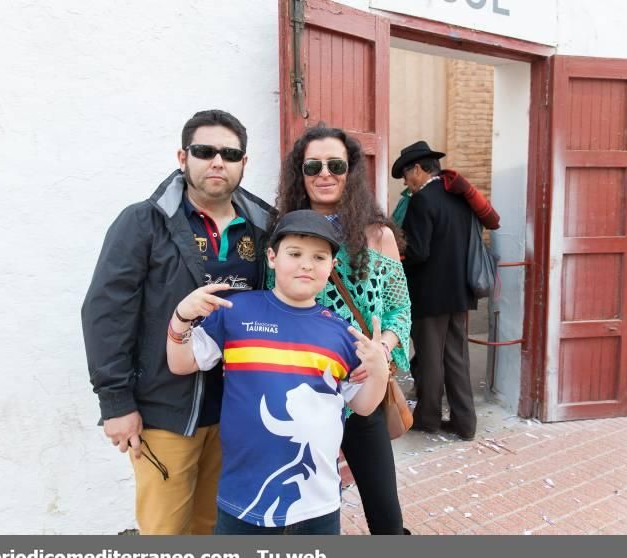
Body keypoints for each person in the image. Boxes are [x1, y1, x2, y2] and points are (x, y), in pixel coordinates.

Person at [81, 109, 273, 534]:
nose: (217, 161)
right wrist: (116, 404)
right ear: (183, 157)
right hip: (166, 412)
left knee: (212, 526)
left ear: (245, 162)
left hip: (235, 412)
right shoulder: (143, 222)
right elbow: (106, 314)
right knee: (165, 531)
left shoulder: (264, 227)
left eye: (230, 153)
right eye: (204, 151)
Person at [166, 210, 390, 534]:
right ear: (272, 257)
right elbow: (181, 362)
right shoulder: (237, 311)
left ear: (332, 266)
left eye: (319, 257)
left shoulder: (342, 333)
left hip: (318, 503)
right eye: (294, 254)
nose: (306, 264)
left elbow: (364, 405)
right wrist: (180, 318)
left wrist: (379, 371)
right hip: (243, 500)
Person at [270, 125, 412, 535]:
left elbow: (400, 308)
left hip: (362, 392)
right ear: (300, 173)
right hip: (302, 396)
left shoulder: (377, 236)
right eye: (312, 165)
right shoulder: (283, 235)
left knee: (386, 513)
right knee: (307, 513)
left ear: (351, 172)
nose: (324, 173)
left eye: (336, 164)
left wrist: (382, 350)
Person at [392, 140, 478, 441]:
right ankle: (465, 422)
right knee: (456, 357)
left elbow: (419, 252)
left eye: (405, 173)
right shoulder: (457, 197)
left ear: (418, 169)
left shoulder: (422, 201)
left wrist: (397, 250)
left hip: (430, 294)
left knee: (429, 359)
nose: (405, 181)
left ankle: (428, 417)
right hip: (458, 291)